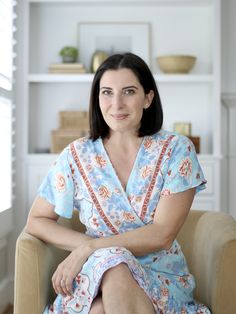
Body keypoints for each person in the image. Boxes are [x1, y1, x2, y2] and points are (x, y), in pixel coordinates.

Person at [26, 52, 211, 314]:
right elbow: (37, 220)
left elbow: (162, 234)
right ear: (97, 98)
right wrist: (90, 251)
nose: (116, 104)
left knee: (100, 307)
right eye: (107, 92)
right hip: (95, 272)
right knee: (112, 265)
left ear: (148, 98)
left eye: (128, 91)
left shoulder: (176, 150)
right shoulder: (76, 155)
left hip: (160, 276)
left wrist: (90, 247)